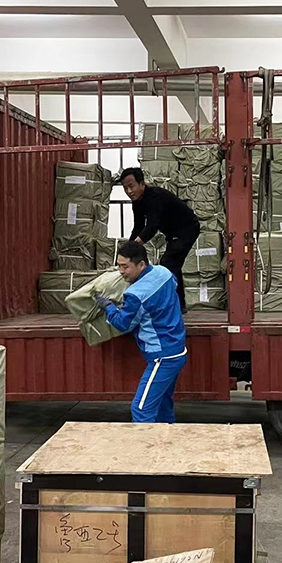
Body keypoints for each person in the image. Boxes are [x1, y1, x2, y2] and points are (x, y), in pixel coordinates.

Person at [97, 241, 187, 423]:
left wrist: (109, 307)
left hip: (162, 357)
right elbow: (172, 287)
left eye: (125, 267)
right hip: (177, 349)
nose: (121, 271)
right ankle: (166, 438)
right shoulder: (164, 273)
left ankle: (142, 442)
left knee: (141, 409)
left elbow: (123, 324)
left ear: (141, 265)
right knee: (163, 405)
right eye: (119, 266)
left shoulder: (135, 294)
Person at [119, 167, 200, 313]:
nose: (129, 191)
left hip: (186, 229)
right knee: (173, 264)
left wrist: (134, 247)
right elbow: (138, 227)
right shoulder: (137, 202)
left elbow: (152, 226)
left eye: (131, 186)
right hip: (173, 233)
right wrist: (127, 250)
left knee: (168, 262)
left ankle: (176, 305)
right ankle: (178, 303)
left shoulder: (154, 197)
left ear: (142, 184)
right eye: (125, 188)